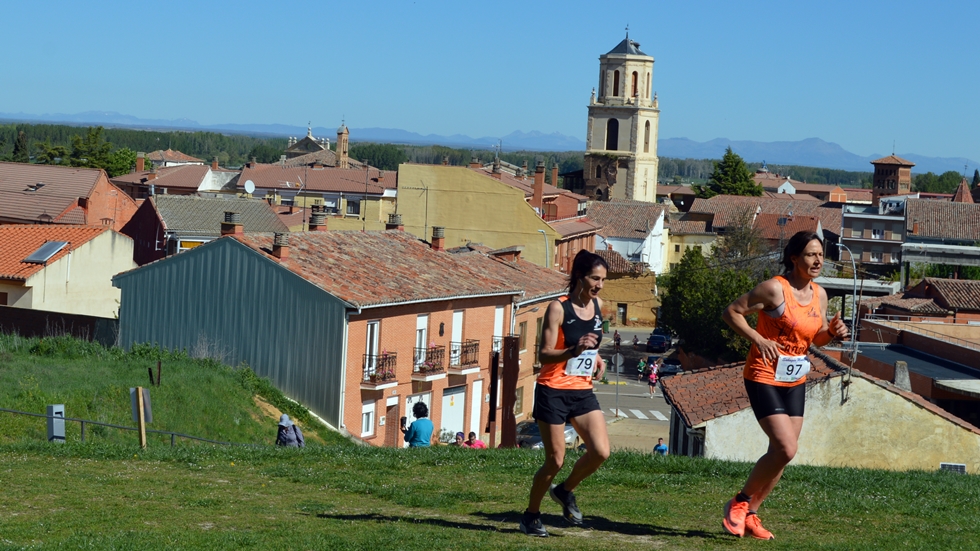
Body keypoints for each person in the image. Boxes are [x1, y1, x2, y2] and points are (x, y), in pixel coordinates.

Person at [720, 231, 848, 540]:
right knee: (786, 447)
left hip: (794, 379)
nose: (817, 260)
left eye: (820, 255)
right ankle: (738, 502)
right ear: (794, 258)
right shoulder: (775, 290)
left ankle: (751, 513)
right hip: (763, 375)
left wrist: (830, 332)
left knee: (782, 454)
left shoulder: (819, 294)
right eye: (810, 255)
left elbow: (813, 337)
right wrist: (758, 338)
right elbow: (731, 312)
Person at [519, 250, 611, 537]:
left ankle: (565, 490)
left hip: (581, 390)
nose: (599, 285)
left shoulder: (599, 305)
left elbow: (592, 342)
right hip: (553, 390)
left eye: (603, 279)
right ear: (579, 277)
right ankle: (531, 516)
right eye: (595, 278)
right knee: (555, 460)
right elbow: (544, 355)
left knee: (600, 452)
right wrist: (573, 350)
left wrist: (598, 358)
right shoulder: (558, 308)